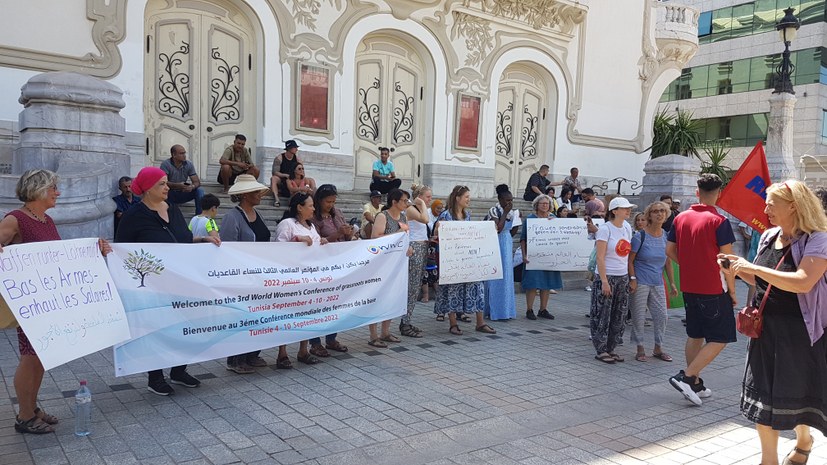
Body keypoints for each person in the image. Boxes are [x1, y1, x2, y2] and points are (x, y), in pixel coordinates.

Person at [719, 180, 827, 465]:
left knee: (797, 394)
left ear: (793, 206)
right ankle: (769, 460)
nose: (765, 209)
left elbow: (804, 282)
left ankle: (804, 439)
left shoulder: (818, 239)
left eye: (771, 203)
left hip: (802, 333)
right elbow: (759, 279)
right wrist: (738, 268)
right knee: (763, 396)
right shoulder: (768, 236)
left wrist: (753, 266)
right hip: (764, 329)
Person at [0, 170, 110, 434]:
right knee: (30, 357)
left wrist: (92, 249)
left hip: (45, 302)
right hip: (28, 302)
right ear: (38, 189)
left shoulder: (46, 220)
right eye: (54, 188)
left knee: (40, 357)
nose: (57, 193)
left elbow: (59, 256)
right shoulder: (15, 219)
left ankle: (32, 407)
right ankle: (24, 416)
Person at [116, 166, 221, 396]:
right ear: (147, 189)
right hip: (152, 286)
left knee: (185, 324)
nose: (167, 187)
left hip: (180, 280)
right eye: (161, 184)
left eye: (166, 183)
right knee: (158, 328)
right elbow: (121, 250)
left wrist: (202, 239)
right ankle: (155, 377)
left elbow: (181, 240)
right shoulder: (134, 215)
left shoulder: (173, 210)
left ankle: (179, 369)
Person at [665, 173, 737, 406]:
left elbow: (669, 250)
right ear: (720, 192)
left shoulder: (680, 217)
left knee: (695, 334)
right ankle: (686, 377)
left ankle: (694, 381)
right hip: (713, 287)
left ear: (697, 191)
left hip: (690, 284)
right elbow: (727, 260)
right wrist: (733, 291)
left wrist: (688, 265)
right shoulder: (719, 221)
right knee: (721, 337)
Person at [219, 175, 275, 373]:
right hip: (241, 277)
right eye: (254, 192)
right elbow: (227, 249)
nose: (259, 195)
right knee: (241, 317)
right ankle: (235, 359)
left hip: (259, 275)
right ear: (244, 195)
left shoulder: (257, 214)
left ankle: (252, 354)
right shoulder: (232, 217)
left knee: (259, 315)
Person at [433, 185, 496, 335]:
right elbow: (437, 236)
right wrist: (438, 229)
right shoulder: (445, 216)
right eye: (466, 197)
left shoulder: (467, 215)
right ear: (458, 198)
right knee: (452, 290)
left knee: (477, 287)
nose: (469, 199)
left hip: (468, 259)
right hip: (452, 261)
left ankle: (480, 323)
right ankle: (453, 323)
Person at [275, 192, 326, 365]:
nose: (313, 208)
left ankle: (303, 350)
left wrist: (323, 242)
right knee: (286, 314)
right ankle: (282, 353)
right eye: (310, 205)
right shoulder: (287, 224)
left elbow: (316, 246)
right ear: (299, 207)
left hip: (310, 278)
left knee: (306, 314)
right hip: (291, 278)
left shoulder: (311, 227)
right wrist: (297, 239)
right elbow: (277, 249)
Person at [628, 201, 677, 362]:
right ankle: (640, 347)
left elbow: (668, 261)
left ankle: (658, 347)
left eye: (663, 211)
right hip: (641, 281)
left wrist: (672, 283)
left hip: (657, 282)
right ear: (649, 215)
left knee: (662, 315)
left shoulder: (666, 236)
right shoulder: (640, 236)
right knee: (639, 316)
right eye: (655, 211)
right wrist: (633, 279)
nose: (659, 214)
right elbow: (630, 260)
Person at [307, 185, 351, 356]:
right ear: (319, 201)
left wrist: (348, 232)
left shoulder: (337, 212)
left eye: (333, 201)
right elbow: (317, 242)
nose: (331, 205)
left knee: (336, 302)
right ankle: (315, 342)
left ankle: (331, 338)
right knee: (319, 305)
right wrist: (336, 235)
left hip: (339, 265)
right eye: (328, 201)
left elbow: (345, 236)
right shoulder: (313, 217)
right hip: (321, 266)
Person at [590, 197, 635, 364]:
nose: (628, 211)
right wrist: (604, 281)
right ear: (614, 211)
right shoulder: (605, 229)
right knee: (602, 313)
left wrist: (630, 277)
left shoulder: (627, 228)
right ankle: (600, 348)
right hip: (607, 275)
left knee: (619, 313)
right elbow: (600, 258)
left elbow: (627, 254)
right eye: (624, 208)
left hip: (622, 275)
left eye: (628, 208)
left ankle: (611, 346)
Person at [484, 184, 519, 321]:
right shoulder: (494, 210)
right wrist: (505, 213)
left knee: (506, 276)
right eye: (506, 200)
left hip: (507, 241)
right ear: (500, 199)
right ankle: (493, 310)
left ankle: (505, 310)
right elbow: (498, 228)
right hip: (495, 241)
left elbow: (513, 231)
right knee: (495, 275)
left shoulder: (513, 212)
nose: (509, 203)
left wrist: (516, 220)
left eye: (511, 200)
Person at [401, 184, 431, 337]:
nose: (429, 200)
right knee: (412, 286)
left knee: (416, 285)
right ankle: (404, 323)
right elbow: (425, 220)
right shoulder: (411, 208)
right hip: (415, 248)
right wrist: (422, 204)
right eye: (427, 197)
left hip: (422, 247)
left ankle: (407, 319)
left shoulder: (420, 208)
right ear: (419, 197)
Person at [160, 144, 205, 215]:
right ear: (174, 155)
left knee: (200, 190)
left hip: (183, 192)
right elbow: (162, 182)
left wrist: (192, 186)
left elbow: (197, 182)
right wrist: (178, 185)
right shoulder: (166, 164)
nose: (184, 155)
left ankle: (199, 216)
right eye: (181, 153)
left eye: (184, 153)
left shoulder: (188, 164)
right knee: (161, 190)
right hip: (169, 193)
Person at [421, 199, 444, 303]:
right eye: (437, 208)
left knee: (434, 273)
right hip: (425, 246)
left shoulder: (439, 218)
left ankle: (438, 294)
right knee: (425, 274)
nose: (439, 210)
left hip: (433, 248)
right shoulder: (427, 218)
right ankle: (426, 295)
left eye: (440, 208)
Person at [271, 140, 302, 207]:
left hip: (293, 179)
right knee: (273, 179)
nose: (297, 149)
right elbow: (275, 172)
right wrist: (284, 175)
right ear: (289, 148)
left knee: (310, 180)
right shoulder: (279, 158)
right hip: (282, 179)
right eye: (295, 147)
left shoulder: (297, 159)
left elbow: (301, 171)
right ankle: (276, 199)